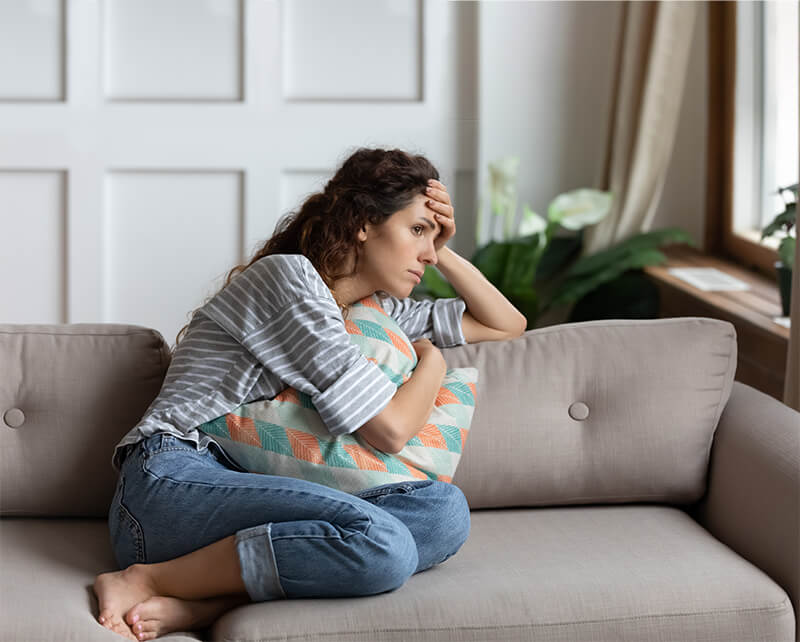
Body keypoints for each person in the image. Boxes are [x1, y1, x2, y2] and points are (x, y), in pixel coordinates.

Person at [93, 147, 527, 641]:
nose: (427, 254)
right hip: (172, 484)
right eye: (417, 231)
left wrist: (444, 248)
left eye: (432, 237)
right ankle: (145, 578)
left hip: (249, 487)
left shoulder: (372, 311)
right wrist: (435, 361)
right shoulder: (291, 280)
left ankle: (209, 602)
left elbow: (507, 324)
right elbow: (390, 430)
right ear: (365, 222)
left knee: (442, 513)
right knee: (384, 545)